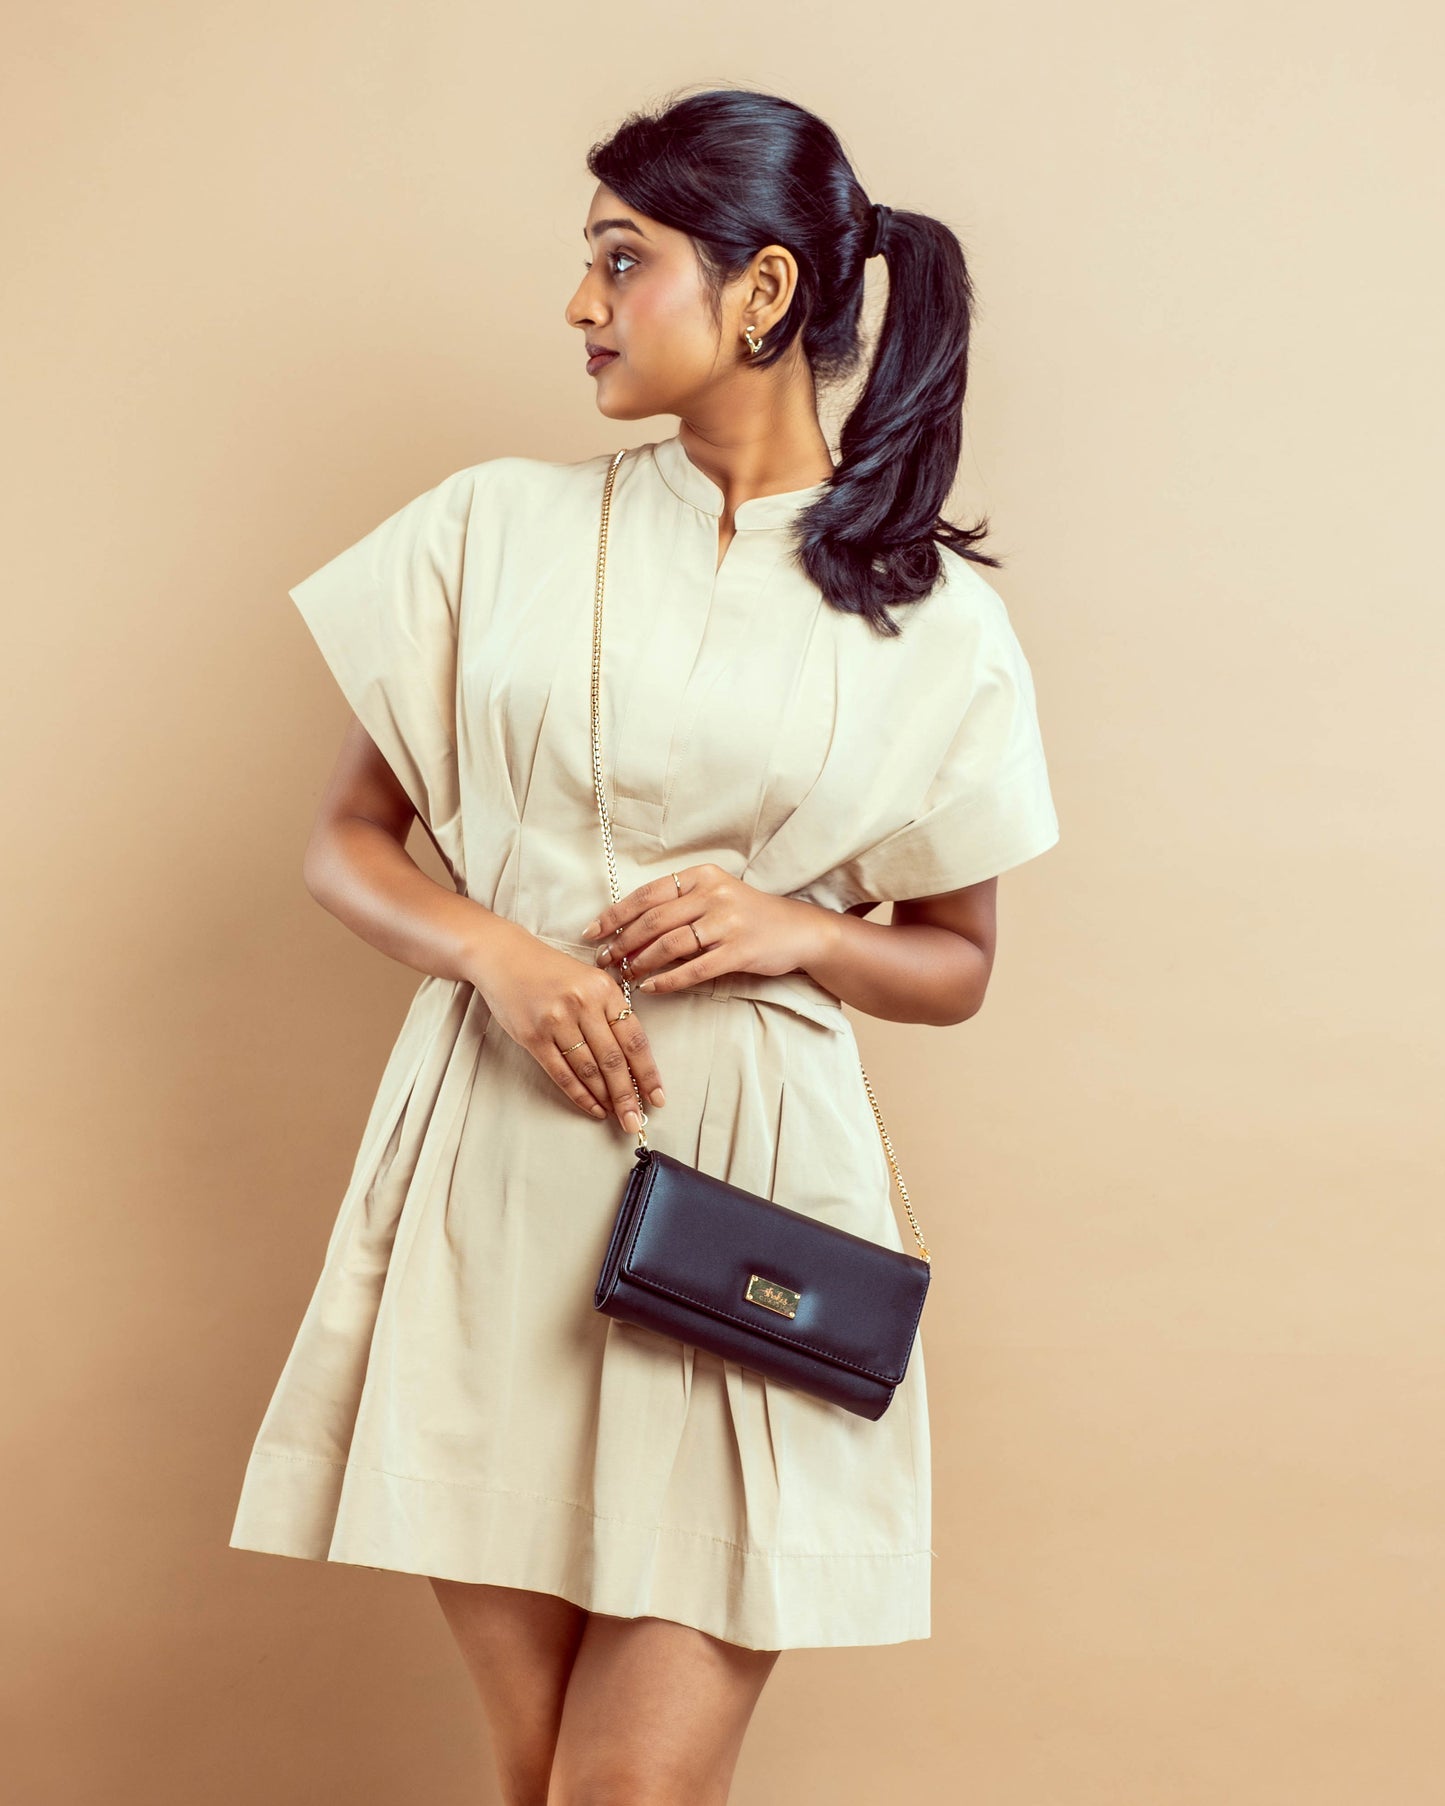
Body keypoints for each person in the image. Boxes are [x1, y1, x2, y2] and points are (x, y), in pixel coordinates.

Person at [229, 85, 1060, 1805]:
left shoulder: (932, 620)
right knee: (543, 1776)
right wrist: (497, 956)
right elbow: (346, 843)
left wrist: (792, 932)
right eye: (585, 260)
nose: (579, 305)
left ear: (758, 293)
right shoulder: (493, 530)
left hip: (748, 1211)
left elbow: (956, 961)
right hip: (495, 1175)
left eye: (623, 260)